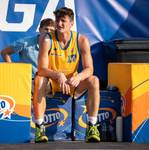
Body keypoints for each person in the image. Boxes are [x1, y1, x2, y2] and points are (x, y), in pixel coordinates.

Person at [33, 7, 100, 143]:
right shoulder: (46, 39)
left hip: (72, 82)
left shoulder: (81, 40)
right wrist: (58, 75)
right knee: (39, 80)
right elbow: (41, 69)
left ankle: (92, 127)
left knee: (94, 80)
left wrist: (78, 77)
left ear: (71, 24)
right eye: (57, 20)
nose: (59, 24)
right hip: (53, 81)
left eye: (63, 21)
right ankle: (40, 128)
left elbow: (89, 69)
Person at [1, 18, 56, 97]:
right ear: (40, 30)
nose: (48, 32)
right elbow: (4, 52)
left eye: (51, 30)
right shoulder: (25, 42)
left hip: (47, 81)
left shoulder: (56, 45)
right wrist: (11, 72)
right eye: (46, 29)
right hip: (28, 80)